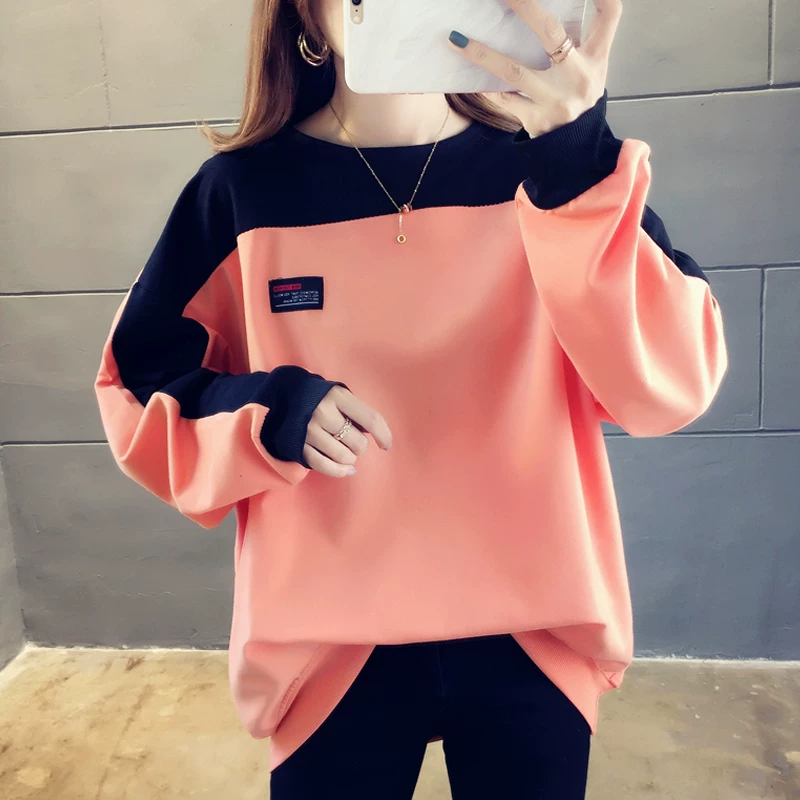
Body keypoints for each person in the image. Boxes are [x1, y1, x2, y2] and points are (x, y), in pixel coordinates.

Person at [94, 0, 729, 797]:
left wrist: (578, 160)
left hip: (534, 631)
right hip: (327, 646)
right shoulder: (242, 193)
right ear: (305, 17)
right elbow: (135, 386)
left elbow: (677, 378)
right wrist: (271, 412)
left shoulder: (551, 167)